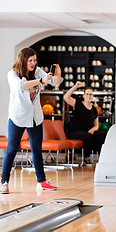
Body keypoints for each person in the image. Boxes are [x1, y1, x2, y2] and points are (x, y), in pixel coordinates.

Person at [0, 48, 62, 194]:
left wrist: (57, 75)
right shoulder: (12, 74)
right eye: (30, 60)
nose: (33, 63)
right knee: (11, 150)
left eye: (35, 60)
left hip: (35, 117)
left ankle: (42, 181)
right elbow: (22, 86)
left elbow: (54, 82)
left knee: (36, 149)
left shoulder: (37, 70)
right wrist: (42, 80)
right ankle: (4, 182)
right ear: (23, 60)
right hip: (17, 117)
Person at [64, 81, 105, 166]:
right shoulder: (77, 104)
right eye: (87, 94)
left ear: (93, 96)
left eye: (91, 94)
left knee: (100, 134)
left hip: (88, 132)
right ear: (83, 96)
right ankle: (86, 158)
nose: (89, 96)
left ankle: (102, 157)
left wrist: (92, 130)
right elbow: (66, 97)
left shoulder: (94, 109)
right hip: (75, 132)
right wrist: (75, 86)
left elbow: (96, 125)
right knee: (88, 136)